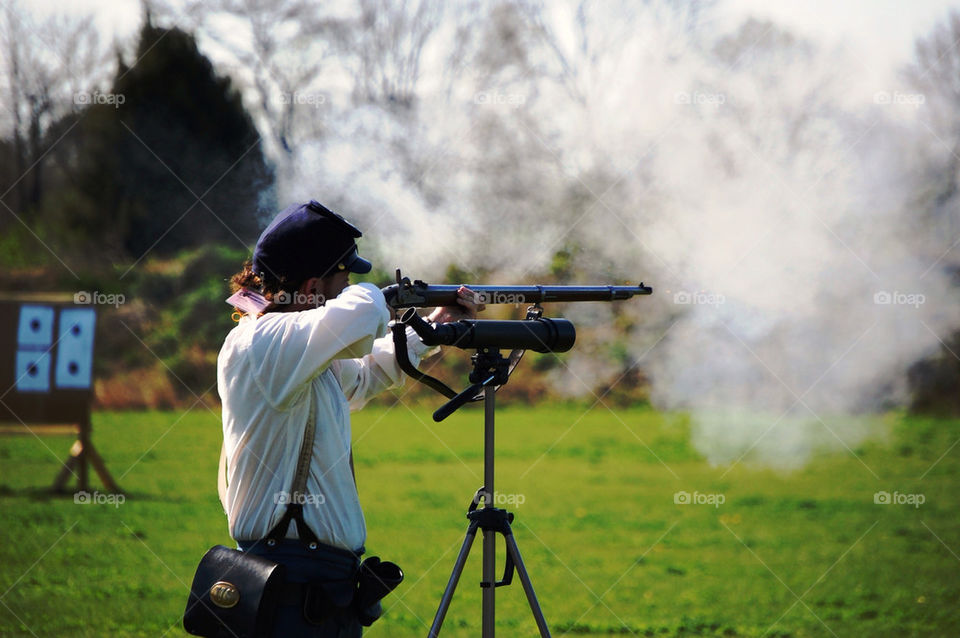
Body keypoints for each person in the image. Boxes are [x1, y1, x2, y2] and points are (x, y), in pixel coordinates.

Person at [218, 200, 482, 636]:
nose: (349, 285)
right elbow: (361, 314)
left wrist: (434, 322)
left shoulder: (293, 348)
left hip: (318, 582)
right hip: (288, 579)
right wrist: (386, 296)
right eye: (343, 276)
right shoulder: (261, 341)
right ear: (312, 284)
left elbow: (362, 378)